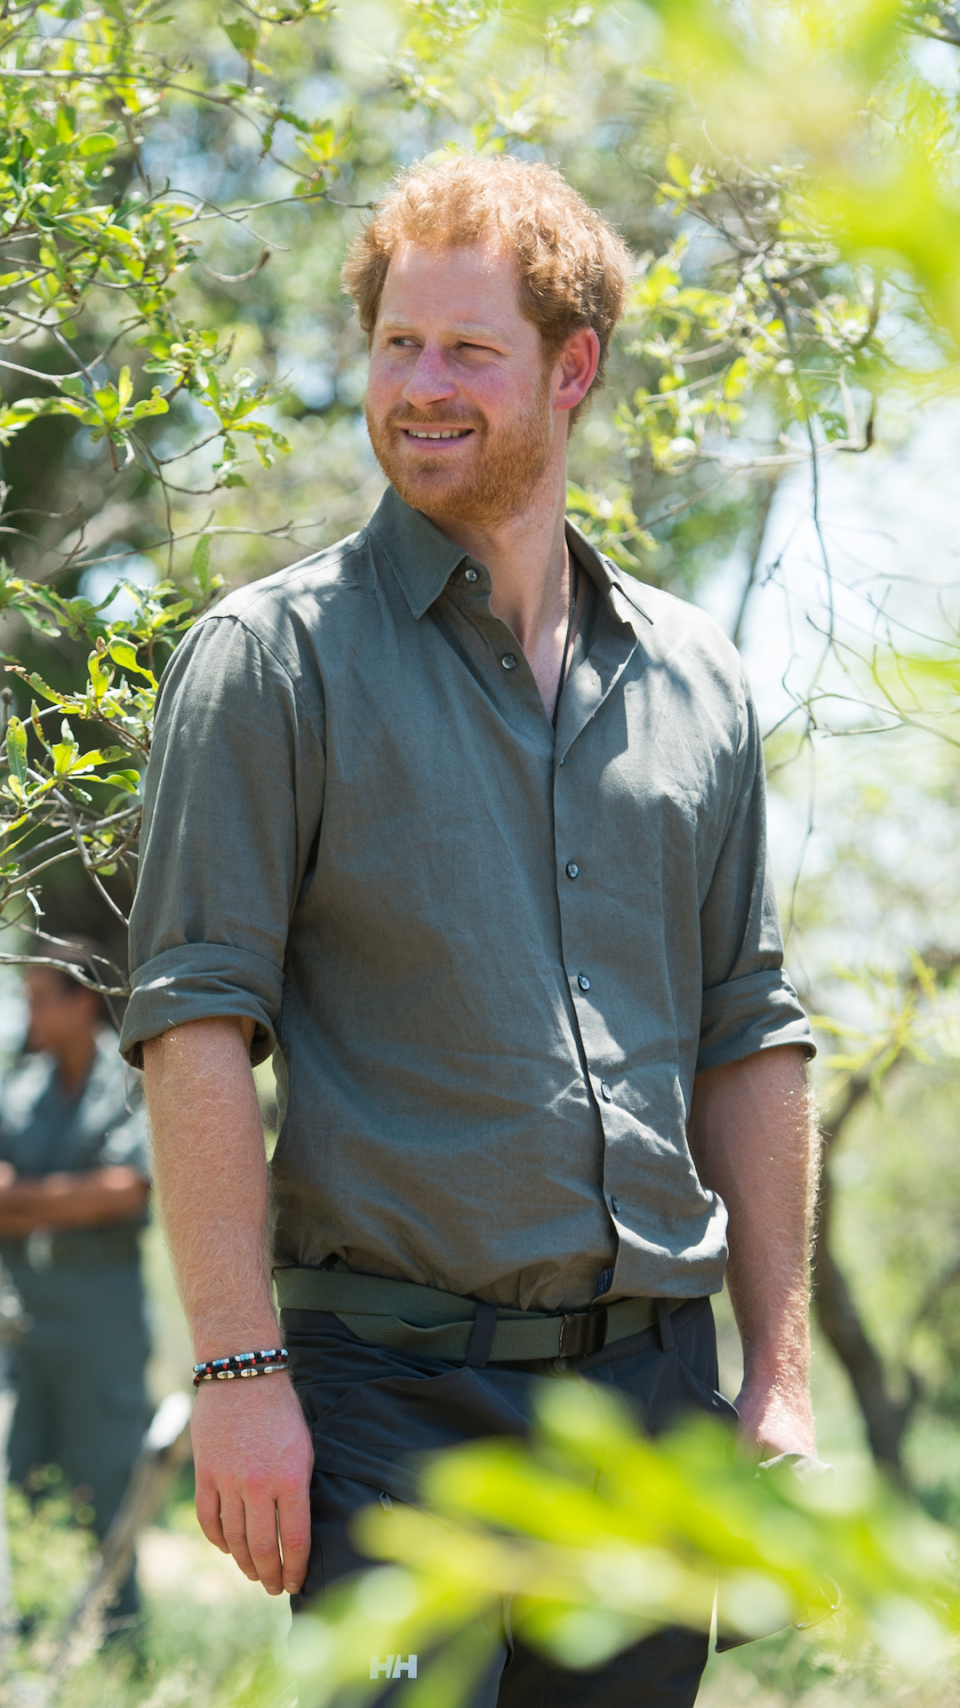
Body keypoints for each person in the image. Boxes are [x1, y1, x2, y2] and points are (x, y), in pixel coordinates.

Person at [120, 155, 818, 1706]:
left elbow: (751, 1033)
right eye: (393, 346)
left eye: (465, 350)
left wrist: (775, 1376)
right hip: (387, 1397)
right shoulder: (270, 663)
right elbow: (192, 1026)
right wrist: (239, 1372)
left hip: (645, 1408)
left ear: (572, 370)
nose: (417, 388)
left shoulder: (699, 680)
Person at [0, 943, 150, 1629]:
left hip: (103, 1332)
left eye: (39, 997)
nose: (28, 1012)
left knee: (107, 1488)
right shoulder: (19, 1088)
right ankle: (28, 1644)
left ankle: (120, 1644)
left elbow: (124, 1190)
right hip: (27, 1330)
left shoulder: (131, 1081)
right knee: (20, 1490)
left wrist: (24, 1198)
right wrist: (70, 1199)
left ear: (81, 999)